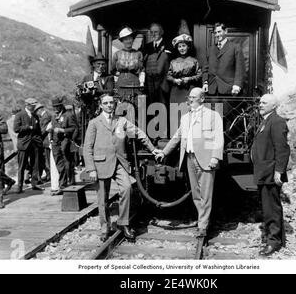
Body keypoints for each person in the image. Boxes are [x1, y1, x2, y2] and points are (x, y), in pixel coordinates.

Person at [83, 92, 160, 242]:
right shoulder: (94, 123)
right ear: (100, 105)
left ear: (115, 104)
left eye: (111, 102)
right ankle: (104, 228)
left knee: (127, 188)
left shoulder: (121, 121)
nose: (109, 105)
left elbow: (139, 133)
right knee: (102, 199)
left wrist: (152, 149)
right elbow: (87, 148)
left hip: (119, 163)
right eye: (105, 103)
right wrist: (91, 168)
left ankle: (123, 223)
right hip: (100, 164)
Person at [156, 87, 224, 237]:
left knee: (206, 195)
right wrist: (164, 152)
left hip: (206, 159)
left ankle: (203, 225)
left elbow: (219, 138)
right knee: (196, 194)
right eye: (189, 97)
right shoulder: (186, 117)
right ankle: (204, 220)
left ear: (202, 99)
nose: (190, 99)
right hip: (189, 158)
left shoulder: (213, 116)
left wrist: (215, 157)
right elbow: (177, 137)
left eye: (194, 97)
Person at [251, 94, 290, 256]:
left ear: (273, 106)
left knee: (271, 208)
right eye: (260, 102)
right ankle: (272, 237)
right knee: (268, 207)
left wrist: (278, 172)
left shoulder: (277, 121)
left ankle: (273, 242)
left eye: (264, 103)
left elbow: (282, 149)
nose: (260, 104)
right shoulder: (267, 120)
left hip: (270, 172)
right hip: (264, 171)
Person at [202, 22, 246, 96]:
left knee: (225, 108)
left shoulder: (235, 47)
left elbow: (240, 69)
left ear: (225, 31)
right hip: (212, 89)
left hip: (228, 89)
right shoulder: (210, 49)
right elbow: (205, 68)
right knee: (212, 108)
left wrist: (237, 85)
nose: (217, 35)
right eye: (215, 33)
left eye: (219, 32)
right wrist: (205, 82)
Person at [48, 97, 78, 196]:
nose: (56, 108)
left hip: (65, 143)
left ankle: (65, 185)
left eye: (57, 106)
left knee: (67, 164)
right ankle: (63, 185)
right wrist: (51, 139)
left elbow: (75, 128)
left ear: (61, 106)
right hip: (55, 143)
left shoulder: (68, 115)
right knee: (59, 165)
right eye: (54, 107)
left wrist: (63, 131)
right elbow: (52, 129)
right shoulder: (53, 116)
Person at [14, 98, 44, 193]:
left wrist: (39, 141)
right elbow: (16, 129)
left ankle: (34, 184)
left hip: (34, 144)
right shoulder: (19, 115)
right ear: (28, 105)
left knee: (35, 165)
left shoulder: (35, 116)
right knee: (22, 166)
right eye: (33, 105)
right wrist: (28, 127)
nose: (35, 107)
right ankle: (19, 186)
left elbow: (38, 131)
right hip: (23, 144)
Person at [75, 52, 115, 123]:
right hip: (89, 109)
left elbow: (110, 91)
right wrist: (80, 91)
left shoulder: (109, 77)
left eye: (103, 64)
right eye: (98, 64)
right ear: (93, 64)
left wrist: (96, 91)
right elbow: (81, 92)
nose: (100, 66)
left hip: (103, 108)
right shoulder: (87, 77)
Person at [112, 27, 144, 107]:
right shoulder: (117, 54)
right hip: (121, 82)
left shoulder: (138, 54)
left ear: (133, 39)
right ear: (122, 41)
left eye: (130, 38)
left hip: (135, 82)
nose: (128, 41)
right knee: (122, 105)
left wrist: (142, 82)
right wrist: (117, 81)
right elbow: (113, 70)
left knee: (136, 106)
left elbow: (142, 70)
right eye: (125, 39)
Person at [167, 34, 202, 104]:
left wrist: (189, 79)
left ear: (188, 47)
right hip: (176, 91)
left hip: (189, 90)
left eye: (184, 46)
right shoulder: (173, 62)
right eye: (179, 46)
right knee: (176, 112)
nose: (182, 48)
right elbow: (168, 76)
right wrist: (175, 80)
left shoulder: (194, 61)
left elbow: (199, 75)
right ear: (177, 48)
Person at [142, 22, 171, 106]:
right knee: (151, 106)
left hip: (163, 83)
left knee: (163, 105)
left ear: (161, 32)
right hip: (150, 83)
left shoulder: (169, 45)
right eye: (151, 32)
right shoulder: (146, 47)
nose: (153, 34)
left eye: (156, 32)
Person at [34, 103, 52, 182]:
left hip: (46, 141)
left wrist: (36, 134)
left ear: (39, 110)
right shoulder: (46, 116)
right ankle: (49, 175)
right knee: (46, 159)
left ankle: (50, 175)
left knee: (47, 159)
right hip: (45, 141)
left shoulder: (45, 117)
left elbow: (43, 130)